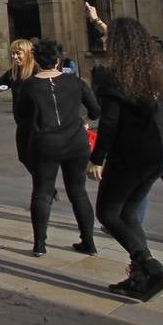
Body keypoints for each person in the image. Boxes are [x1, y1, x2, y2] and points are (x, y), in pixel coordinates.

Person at [86, 4, 163, 301]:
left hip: (128, 156)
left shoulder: (113, 77)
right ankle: (140, 277)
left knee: (107, 212)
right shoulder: (152, 72)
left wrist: (96, 159)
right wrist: (97, 21)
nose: (104, 43)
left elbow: (110, 123)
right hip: (154, 154)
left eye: (109, 39)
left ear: (118, 45)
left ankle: (149, 265)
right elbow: (127, 41)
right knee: (128, 214)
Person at [17, 39, 100, 257]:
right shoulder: (76, 82)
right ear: (58, 60)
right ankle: (89, 243)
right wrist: (81, 119)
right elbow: (95, 111)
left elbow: (21, 118)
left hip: (45, 144)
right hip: (76, 143)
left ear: (36, 60)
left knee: (42, 192)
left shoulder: (28, 85)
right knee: (78, 193)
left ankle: (40, 245)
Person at [0, 39, 37, 174]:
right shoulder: (13, 72)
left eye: (18, 53)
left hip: (37, 122)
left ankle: (45, 186)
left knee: (38, 156)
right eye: (12, 54)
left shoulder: (36, 71)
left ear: (27, 53)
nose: (14, 57)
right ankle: (45, 184)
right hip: (22, 122)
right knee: (23, 156)